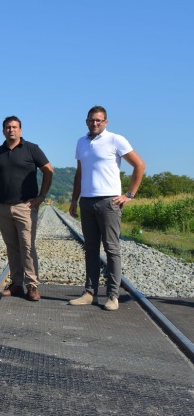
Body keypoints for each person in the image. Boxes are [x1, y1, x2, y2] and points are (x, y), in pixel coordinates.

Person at [68, 105, 145, 311]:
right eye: (92, 120)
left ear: (106, 122)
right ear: (86, 121)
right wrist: (74, 200)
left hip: (109, 201)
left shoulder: (115, 140)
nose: (95, 123)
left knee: (111, 249)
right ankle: (89, 293)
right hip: (87, 201)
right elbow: (79, 173)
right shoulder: (81, 142)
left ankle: (113, 296)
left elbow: (139, 165)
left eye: (99, 120)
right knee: (91, 249)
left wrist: (129, 195)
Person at [0, 116, 54, 302]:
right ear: (3, 130)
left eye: (14, 127)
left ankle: (32, 285)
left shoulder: (32, 149)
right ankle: (16, 284)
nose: (11, 130)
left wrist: (42, 196)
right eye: (7, 127)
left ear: (20, 130)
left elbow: (48, 170)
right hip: (3, 207)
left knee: (27, 247)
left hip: (25, 206)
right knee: (12, 247)